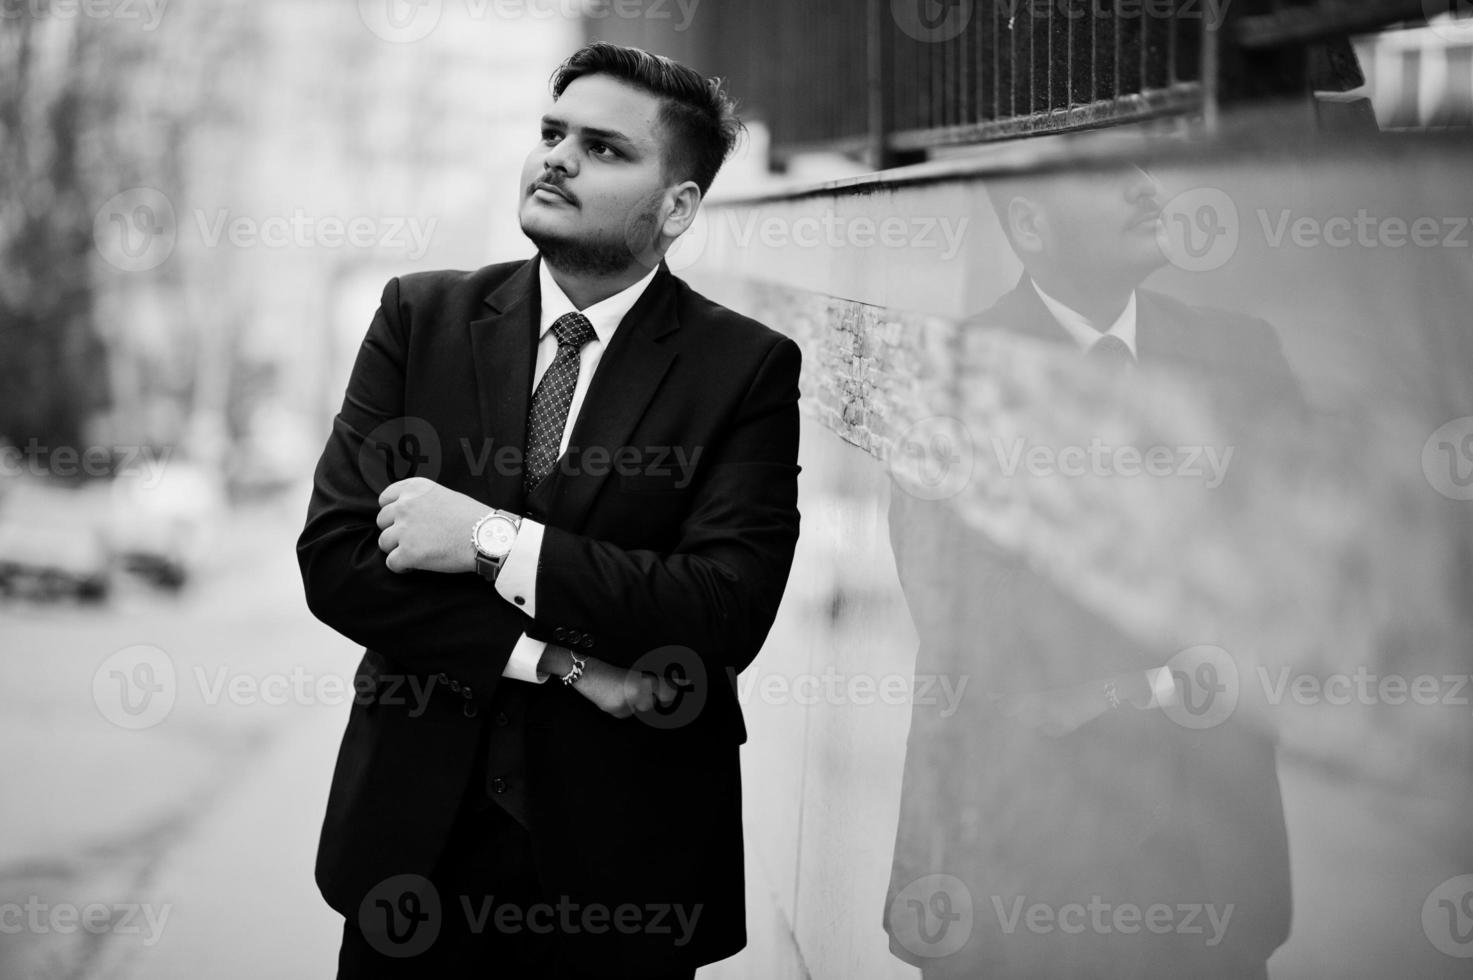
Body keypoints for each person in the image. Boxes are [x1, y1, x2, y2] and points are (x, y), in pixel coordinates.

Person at [297, 42, 802, 980]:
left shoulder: (746, 370)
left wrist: (487, 539)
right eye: (550, 133)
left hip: (623, 873)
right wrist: (563, 662)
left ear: (676, 208)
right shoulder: (420, 319)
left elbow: (720, 611)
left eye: (605, 149)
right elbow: (339, 563)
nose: (556, 158)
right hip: (412, 857)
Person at [883, 161, 1300, 979]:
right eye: (1111, 174)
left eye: (1146, 164)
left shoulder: (1242, 355)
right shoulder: (947, 378)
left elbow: (1295, 570)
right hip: (1023, 852)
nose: (1148, 188)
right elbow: (963, 618)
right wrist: (1161, 684)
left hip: (1209, 856)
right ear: (1033, 228)